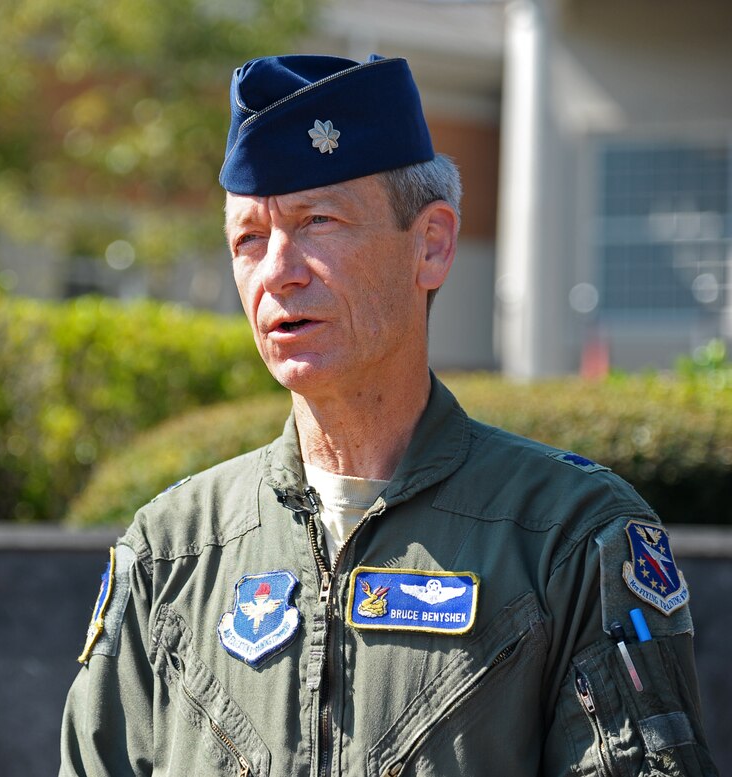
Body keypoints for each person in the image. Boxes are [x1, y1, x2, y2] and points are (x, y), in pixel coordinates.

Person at [59, 54, 716, 776]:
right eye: (249, 237)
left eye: (318, 220)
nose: (278, 269)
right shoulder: (172, 552)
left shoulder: (569, 539)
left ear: (430, 244)